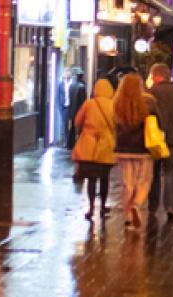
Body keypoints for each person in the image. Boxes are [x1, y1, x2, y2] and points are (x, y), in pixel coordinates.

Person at [109, 73, 158, 231]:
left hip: (123, 149)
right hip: (143, 149)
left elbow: (113, 125)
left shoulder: (117, 103)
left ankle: (128, 218)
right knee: (144, 180)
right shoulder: (149, 102)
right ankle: (136, 205)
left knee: (127, 183)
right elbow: (158, 123)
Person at [71, 77, 117, 225]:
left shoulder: (89, 104)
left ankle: (91, 207)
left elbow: (77, 121)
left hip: (89, 145)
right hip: (106, 146)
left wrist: (83, 132)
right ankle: (103, 207)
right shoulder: (113, 105)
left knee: (91, 178)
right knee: (104, 178)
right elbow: (117, 125)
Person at [147, 64, 173, 225]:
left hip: (155, 140)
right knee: (170, 172)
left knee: (154, 173)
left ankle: (152, 205)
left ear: (156, 76)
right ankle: (170, 207)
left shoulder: (151, 93)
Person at [65, 71, 88, 147]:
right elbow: (83, 101)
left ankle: (69, 144)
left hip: (70, 112)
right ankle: (78, 144)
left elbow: (69, 98)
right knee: (79, 129)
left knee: (70, 128)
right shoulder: (82, 87)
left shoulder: (71, 86)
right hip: (78, 112)